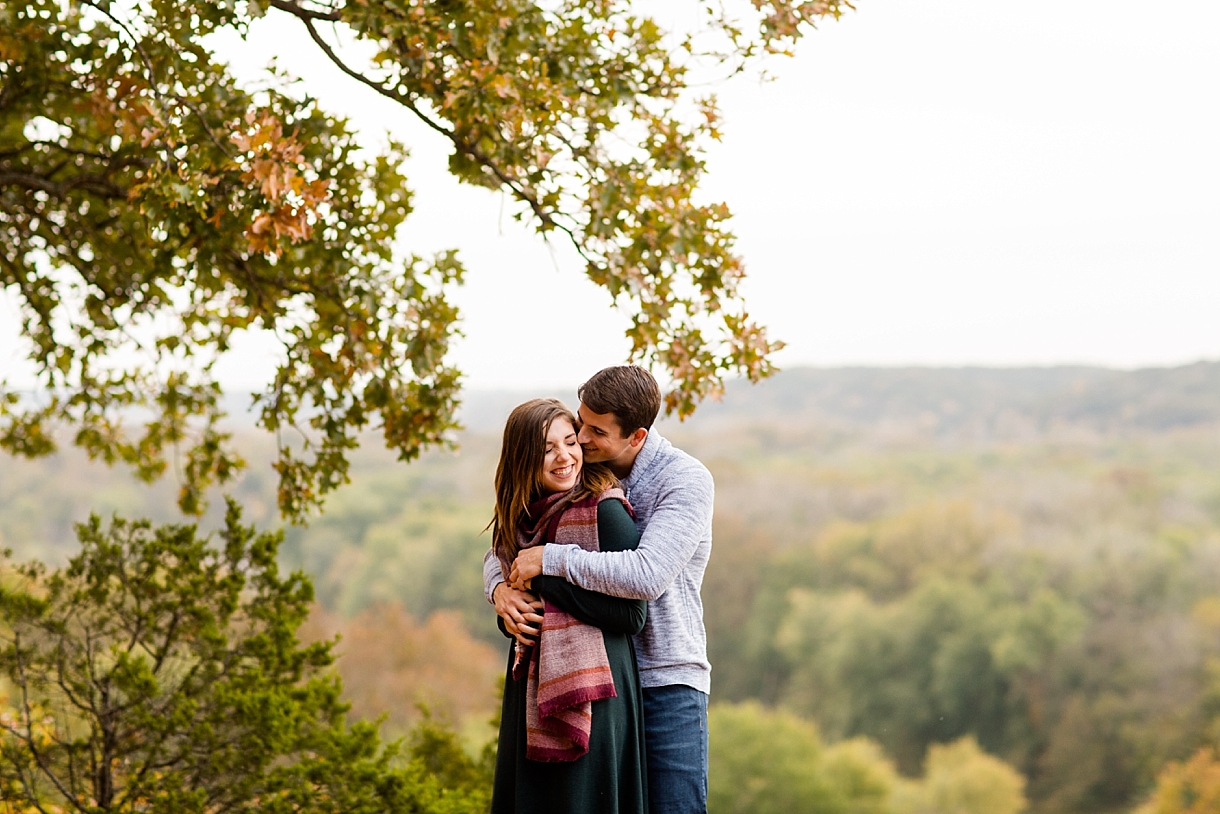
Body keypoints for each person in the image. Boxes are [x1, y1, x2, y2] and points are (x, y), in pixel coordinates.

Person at [486, 366, 714, 814]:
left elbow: (647, 574)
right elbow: (516, 534)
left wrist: (549, 561)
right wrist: (499, 588)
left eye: (595, 430)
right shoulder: (584, 468)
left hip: (665, 679)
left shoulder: (682, 480)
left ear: (636, 437)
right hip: (601, 678)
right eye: (580, 422)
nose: (581, 438)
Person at [487, 397, 649, 814]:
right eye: (547, 449)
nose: (565, 457)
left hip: (594, 689)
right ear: (523, 459)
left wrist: (543, 578)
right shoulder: (520, 520)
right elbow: (514, 590)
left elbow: (632, 615)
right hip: (530, 688)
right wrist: (506, 601)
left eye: (570, 442)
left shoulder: (605, 511)